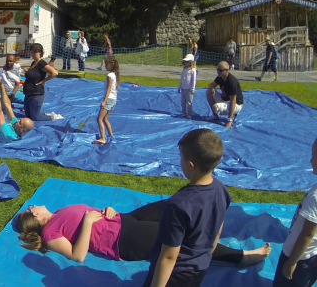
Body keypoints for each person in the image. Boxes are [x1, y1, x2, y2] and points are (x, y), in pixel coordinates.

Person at [17, 197, 269, 269]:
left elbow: (91, 214)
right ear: (35, 216)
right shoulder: (50, 234)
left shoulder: (59, 211)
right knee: (183, 241)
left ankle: (208, 215)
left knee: (173, 206)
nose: (35, 204)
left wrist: (105, 209)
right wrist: (88, 222)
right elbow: (77, 255)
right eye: (32, 207)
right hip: (123, 241)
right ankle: (240, 256)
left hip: (124, 220)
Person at [143, 129, 232, 287]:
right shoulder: (221, 189)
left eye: (181, 158)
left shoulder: (178, 205)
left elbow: (169, 256)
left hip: (175, 273)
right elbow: (218, 227)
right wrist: (206, 254)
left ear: (191, 165)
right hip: (201, 266)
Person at [273, 138, 317, 286]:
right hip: (312, 255)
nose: (311, 161)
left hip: (298, 256)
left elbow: (307, 234)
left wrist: (292, 261)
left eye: (314, 157)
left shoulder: (315, 198)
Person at [23, 43, 62, 122]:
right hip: (28, 94)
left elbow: (54, 73)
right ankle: (45, 114)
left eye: (34, 52)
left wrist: (44, 81)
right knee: (28, 116)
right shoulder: (33, 63)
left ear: (39, 52)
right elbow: (34, 74)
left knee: (35, 118)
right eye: (31, 51)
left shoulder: (41, 63)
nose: (32, 54)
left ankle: (53, 117)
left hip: (36, 94)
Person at [206, 61, 243, 128]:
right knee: (208, 92)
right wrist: (212, 88)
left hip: (236, 104)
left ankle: (233, 115)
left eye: (220, 70)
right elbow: (211, 84)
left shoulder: (232, 82)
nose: (218, 71)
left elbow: (233, 101)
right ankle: (215, 116)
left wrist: (229, 121)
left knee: (215, 107)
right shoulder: (220, 77)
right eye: (217, 69)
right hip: (225, 99)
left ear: (226, 70)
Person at [93, 56, 119, 145]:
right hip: (113, 100)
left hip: (109, 99)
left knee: (99, 119)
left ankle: (103, 138)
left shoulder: (110, 75)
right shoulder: (114, 75)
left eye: (106, 64)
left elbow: (108, 89)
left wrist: (104, 101)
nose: (105, 66)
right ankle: (111, 135)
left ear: (111, 65)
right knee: (105, 118)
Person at [178, 54, 197, 119]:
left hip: (189, 89)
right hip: (183, 88)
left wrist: (193, 88)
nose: (186, 63)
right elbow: (182, 78)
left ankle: (189, 114)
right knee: (183, 102)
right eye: (185, 62)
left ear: (191, 62)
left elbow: (193, 80)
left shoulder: (193, 70)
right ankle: (184, 113)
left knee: (189, 102)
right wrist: (179, 87)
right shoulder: (184, 69)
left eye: (187, 61)